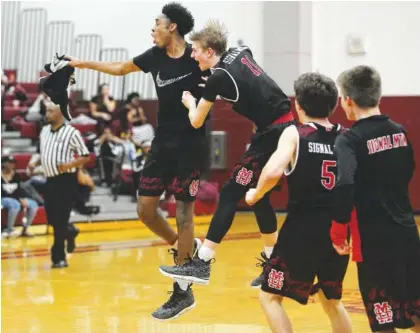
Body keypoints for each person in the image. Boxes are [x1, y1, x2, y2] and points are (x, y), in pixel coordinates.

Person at [66, 2, 210, 320]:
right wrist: (82, 63)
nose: (152, 27)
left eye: (156, 22)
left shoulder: (197, 55)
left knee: (185, 213)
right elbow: (120, 69)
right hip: (162, 143)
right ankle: (185, 248)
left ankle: (181, 293)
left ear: (172, 26)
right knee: (145, 210)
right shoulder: (153, 56)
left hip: (191, 144)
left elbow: (225, 74)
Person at [159, 20, 294, 288]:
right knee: (259, 195)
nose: (192, 54)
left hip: (273, 133)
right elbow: (250, 73)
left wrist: (189, 102)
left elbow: (197, 121)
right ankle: (274, 263)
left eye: (196, 50)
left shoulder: (218, 78)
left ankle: (203, 263)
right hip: (282, 126)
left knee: (232, 191)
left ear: (210, 51)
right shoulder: (240, 51)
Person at [243, 73, 352, 333]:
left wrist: (255, 194)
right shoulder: (348, 137)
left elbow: (271, 173)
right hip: (339, 229)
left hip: (302, 230)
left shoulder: (295, 134)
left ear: (298, 106)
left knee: (269, 296)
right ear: (334, 105)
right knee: (332, 301)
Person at [330, 65, 420, 333]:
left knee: (382, 320)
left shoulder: (349, 140)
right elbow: (409, 170)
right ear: (378, 97)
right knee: (415, 310)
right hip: (407, 235)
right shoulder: (399, 132)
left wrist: (338, 230)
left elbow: (344, 183)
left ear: (347, 100)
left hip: (372, 244)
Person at [1, 156, 39, 238]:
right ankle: (9, 230)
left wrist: (22, 198)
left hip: (15, 198)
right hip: (2, 198)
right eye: (10, 162)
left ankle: (25, 230)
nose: (12, 165)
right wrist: (18, 199)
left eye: (13, 163)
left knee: (33, 204)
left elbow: (19, 190)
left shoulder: (16, 175)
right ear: (3, 163)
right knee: (14, 204)